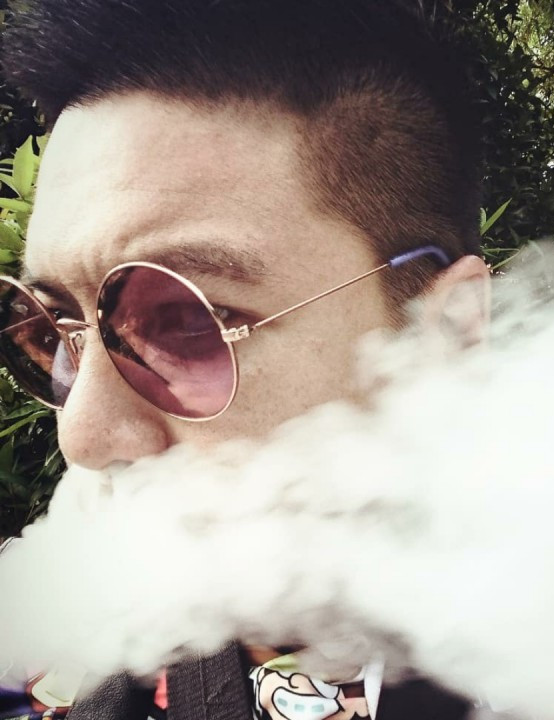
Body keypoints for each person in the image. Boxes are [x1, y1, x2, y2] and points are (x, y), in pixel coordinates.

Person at [0, 1, 491, 718]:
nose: (84, 436)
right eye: (55, 330)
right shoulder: (47, 664)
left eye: (188, 322)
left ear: (445, 333)